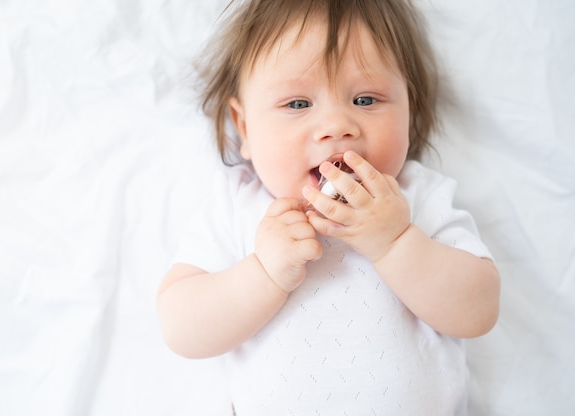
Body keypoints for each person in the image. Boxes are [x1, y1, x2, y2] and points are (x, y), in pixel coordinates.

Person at [157, 0, 501, 414]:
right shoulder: (237, 204)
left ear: (408, 109)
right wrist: (263, 272)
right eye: (298, 104)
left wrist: (395, 243)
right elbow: (180, 328)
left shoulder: (416, 197)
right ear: (245, 127)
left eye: (366, 99)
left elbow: (479, 311)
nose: (338, 126)